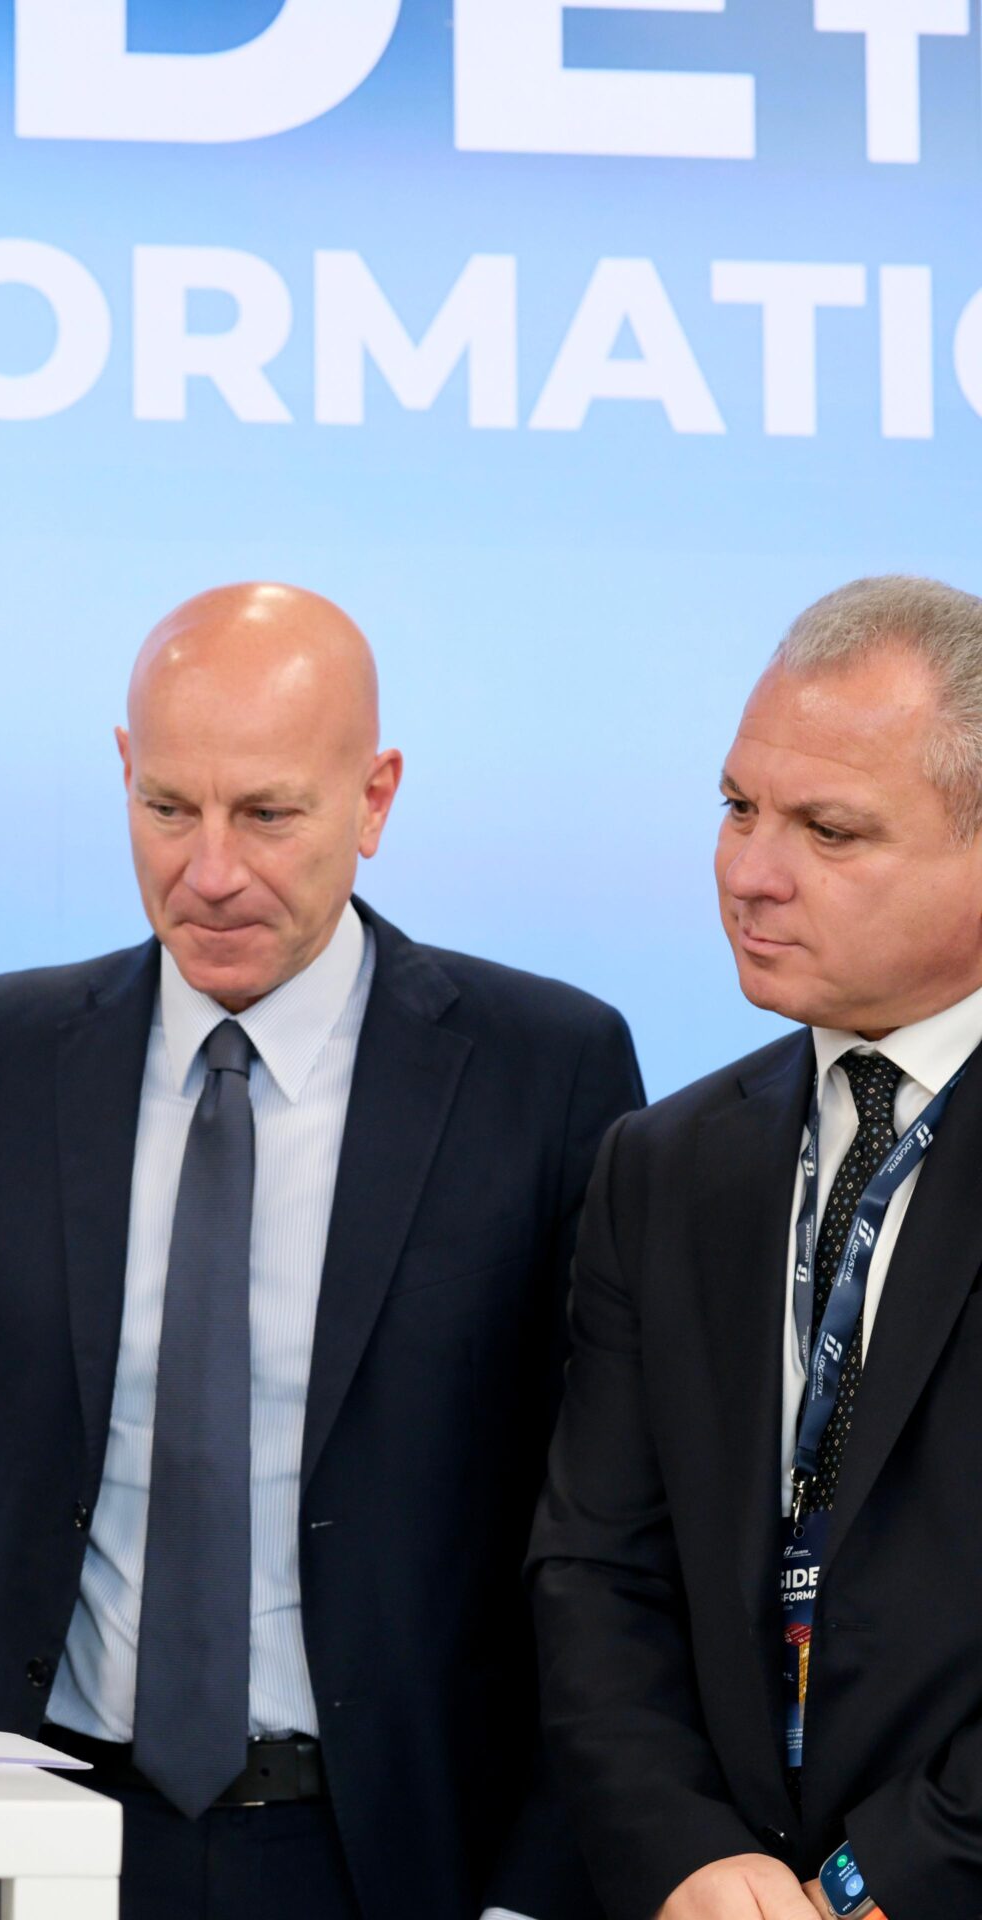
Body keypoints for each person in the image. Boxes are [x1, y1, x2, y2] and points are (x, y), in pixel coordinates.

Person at [0, 584, 643, 1920]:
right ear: (122, 770)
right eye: (168, 808)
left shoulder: (547, 1070)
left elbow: (601, 1528)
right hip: (38, 1834)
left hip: (392, 1857)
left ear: (375, 799)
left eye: (269, 815)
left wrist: (536, 1889)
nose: (211, 870)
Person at [533, 575, 982, 1920]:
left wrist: (883, 1881)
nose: (749, 873)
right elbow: (596, 1567)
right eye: (738, 808)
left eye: (828, 831)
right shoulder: (665, 1163)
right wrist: (687, 1853)